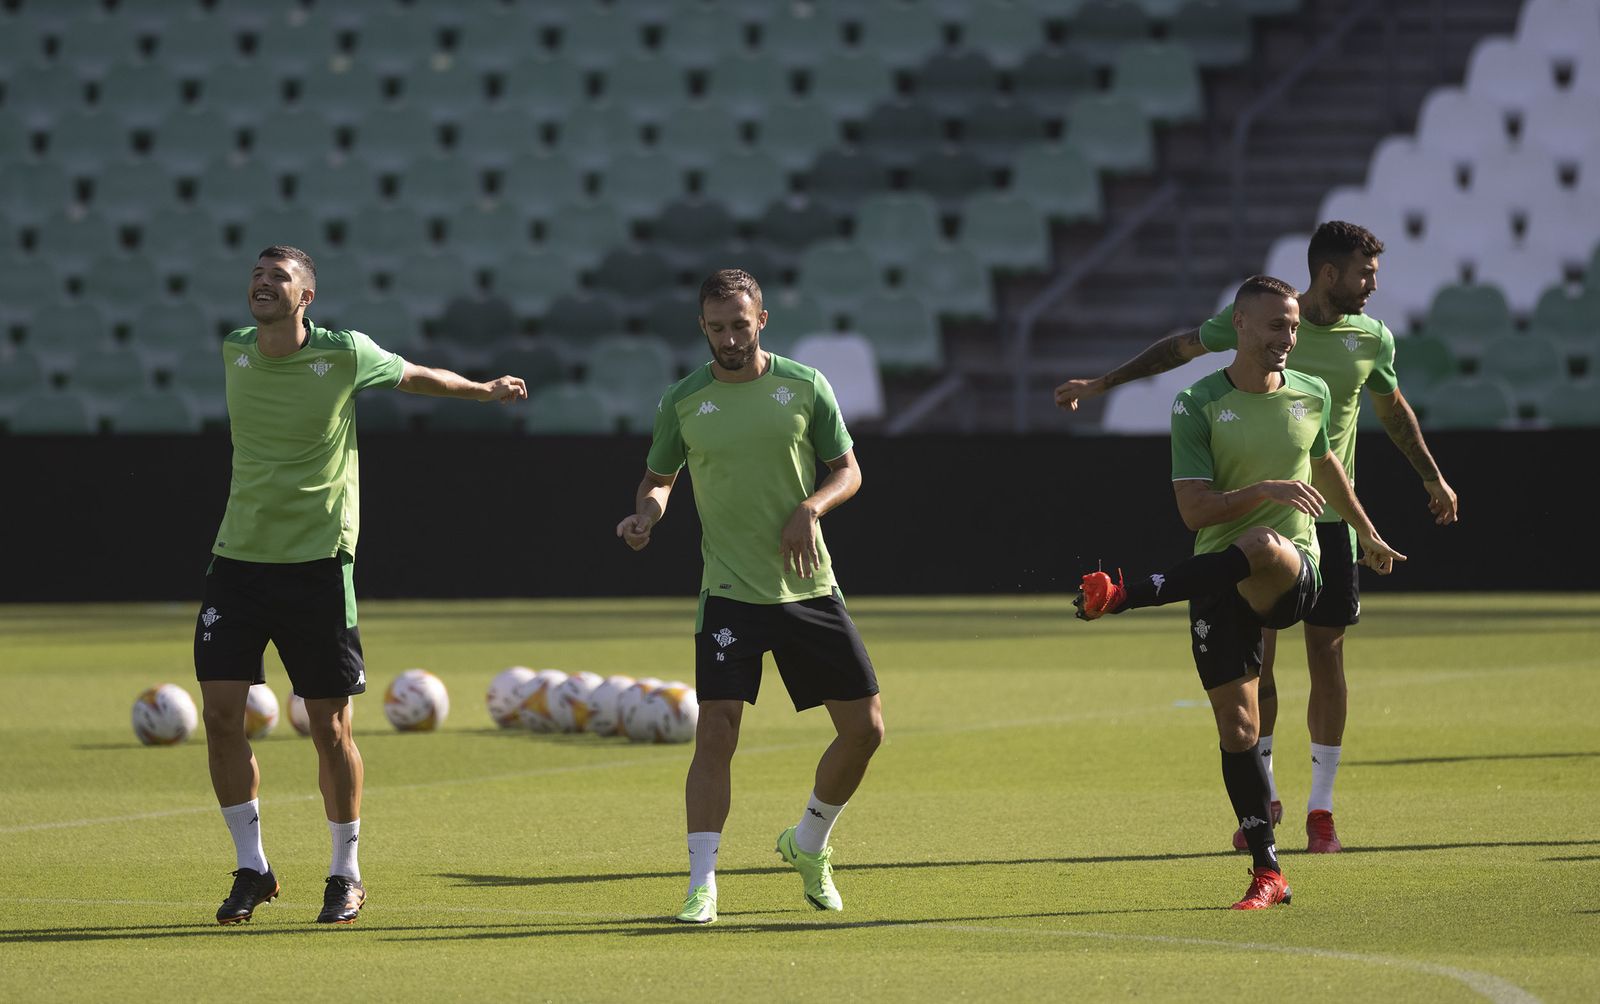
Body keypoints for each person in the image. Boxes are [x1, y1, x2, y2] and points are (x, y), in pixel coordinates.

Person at [1055, 221, 1457, 854]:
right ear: (1330, 273)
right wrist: (1101, 384)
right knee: (1258, 668)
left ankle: (1321, 808)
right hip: (1255, 526)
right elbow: (1178, 350)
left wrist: (1418, 489)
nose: (1371, 286)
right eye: (1364, 274)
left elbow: (1387, 413)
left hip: (1327, 525)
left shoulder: (1368, 341)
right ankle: (1264, 793)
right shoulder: (1251, 325)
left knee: (1327, 657)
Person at [198, 245, 527, 926]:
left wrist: (483, 391)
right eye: (257, 275)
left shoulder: (343, 354)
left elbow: (418, 376)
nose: (262, 284)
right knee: (221, 716)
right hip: (237, 561)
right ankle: (251, 868)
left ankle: (345, 873)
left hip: (318, 562)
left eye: (278, 277)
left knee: (330, 728)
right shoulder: (235, 349)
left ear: (306, 296)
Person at [615, 269, 884, 925]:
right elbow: (659, 478)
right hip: (730, 592)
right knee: (717, 734)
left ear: (761, 319)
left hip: (807, 585)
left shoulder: (804, 385)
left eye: (740, 324)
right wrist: (647, 516)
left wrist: (811, 509)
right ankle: (702, 883)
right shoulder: (684, 400)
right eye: (717, 327)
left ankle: (809, 842)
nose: (730, 338)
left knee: (866, 730)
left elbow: (846, 469)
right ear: (702, 328)